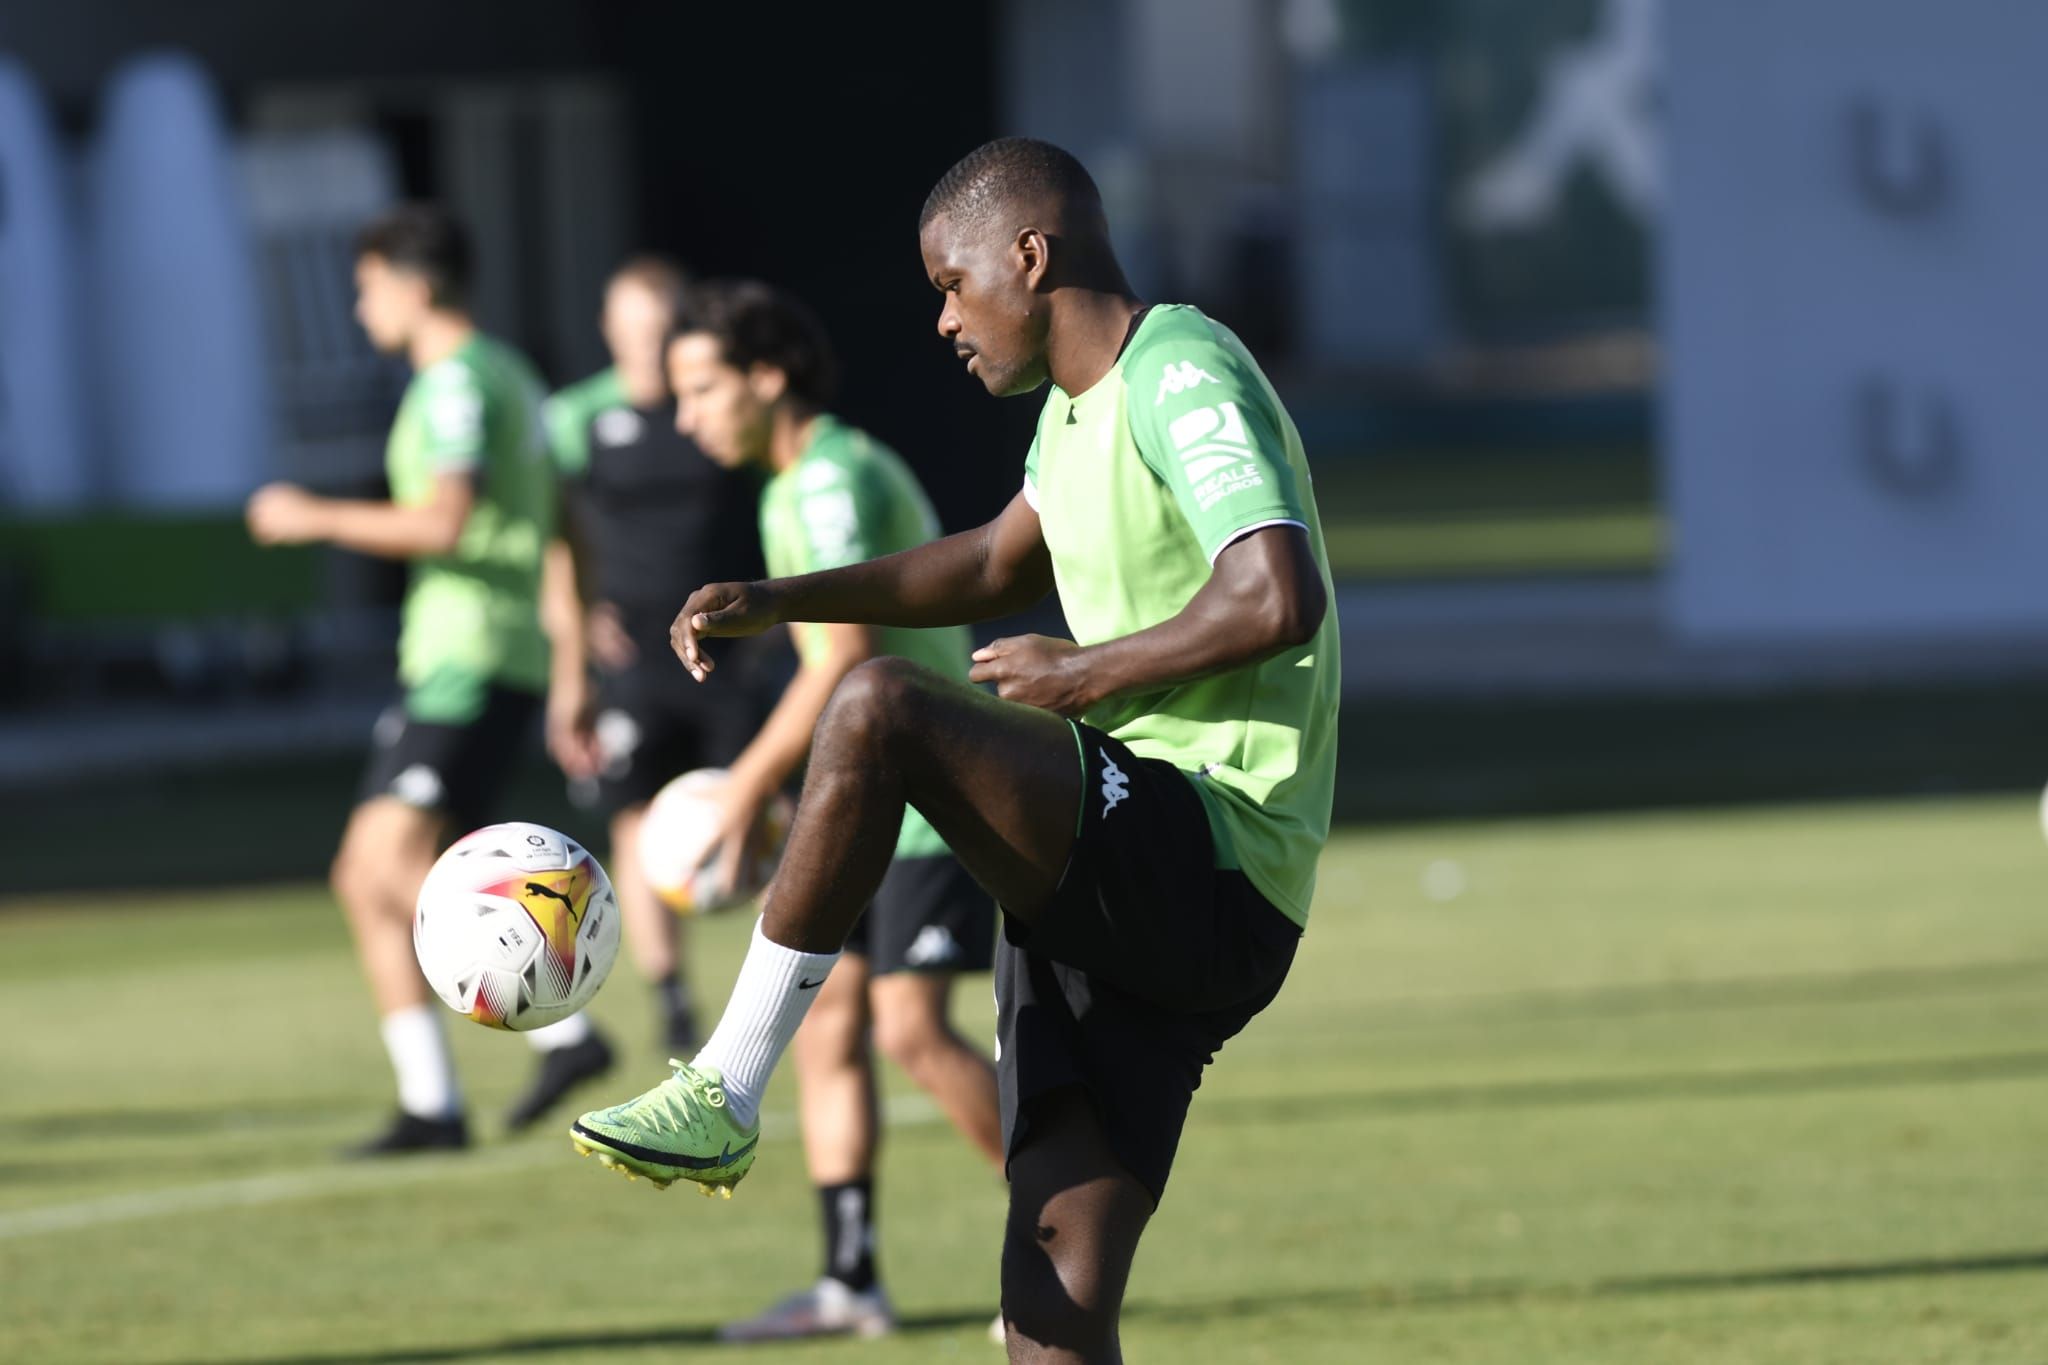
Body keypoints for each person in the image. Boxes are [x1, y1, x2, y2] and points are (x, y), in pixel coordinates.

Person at [571, 138, 1337, 1365]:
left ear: (1029, 258)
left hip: (1207, 847)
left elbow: (1272, 595)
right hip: (1118, 897)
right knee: (1046, 1318)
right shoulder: (1072, 418)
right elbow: (988, 562)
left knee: (880, 710)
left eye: (950, 282)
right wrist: (784, 598)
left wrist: (1078, 674)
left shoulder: (1179, 367)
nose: (941, 319)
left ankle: (724, 1083)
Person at [655, 280, 1004, 1341]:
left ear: (769, 379)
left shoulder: (828, 481)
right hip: (860, 803)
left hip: (922, 797)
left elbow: (840, 658)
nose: (687, 415)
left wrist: (744, 791)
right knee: (828, 1036)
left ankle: (1058, 1233)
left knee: (910, 1029)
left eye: (703, 387)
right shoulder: (791, 484)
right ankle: (850, 1279)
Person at [247, 203, 614, 1154]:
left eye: (367, 286)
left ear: (414, 286)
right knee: (363, 876)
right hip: (490, 657)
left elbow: (446, 522)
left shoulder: (454, 385)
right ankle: (431, 1103)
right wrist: (569, 659)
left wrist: (312, 516)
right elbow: (569, 529)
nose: (362, 306)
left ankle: (566, 1028)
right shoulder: (514, 375)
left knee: (392, 866)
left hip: (467, 654)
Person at [539, 255, 767, 1058]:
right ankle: (671, 998)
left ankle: (772, 991)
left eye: (658, 328)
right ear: (607, 331)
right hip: (635, 655)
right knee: (635, 820)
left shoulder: (713, 408)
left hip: (731, 650)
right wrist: (576, 644)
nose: (645, 345)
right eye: (629, 328)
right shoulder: (575, 419)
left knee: (758, 812)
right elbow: (559, 543)